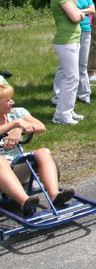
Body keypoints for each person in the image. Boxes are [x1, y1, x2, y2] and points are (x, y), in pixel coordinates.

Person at [0, 82, 75, 217]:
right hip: (2, 167)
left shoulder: (18, 112)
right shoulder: (16, 119)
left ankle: (55, 195)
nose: (12, 102)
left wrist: (20, 129)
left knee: (43, 152)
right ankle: (25, 202)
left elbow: (40, 126)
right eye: (7, 100)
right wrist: (15, 124)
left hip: (17, 165)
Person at [47, 0, 85, 125]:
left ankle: (68, 110)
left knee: (70, 77)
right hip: (66, 41)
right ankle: (61, 115)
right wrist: (81, 14)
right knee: (71, 78)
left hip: (71, 40)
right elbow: (75, 16)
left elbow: (74, 7)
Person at [64, 0, 95, 105]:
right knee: (66, 66)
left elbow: (92, 9)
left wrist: (79, 12)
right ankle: (59, 95)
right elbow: (72, 9)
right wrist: (80, 11)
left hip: (85, 30)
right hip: (71, 32)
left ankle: (84, 94)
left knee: (82, 63)